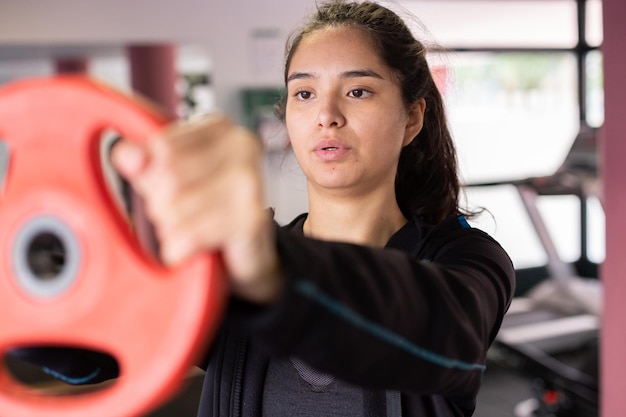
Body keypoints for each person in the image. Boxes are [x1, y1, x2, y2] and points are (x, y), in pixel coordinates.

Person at [14, 1, 515, 416]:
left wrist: (266, 266)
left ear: (411, 118)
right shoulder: (223, 265)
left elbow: (443, 336)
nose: (327, 116)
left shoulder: (469, 261)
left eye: (358, 91)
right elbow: (97, 343)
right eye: (304, 93)